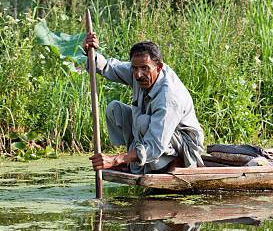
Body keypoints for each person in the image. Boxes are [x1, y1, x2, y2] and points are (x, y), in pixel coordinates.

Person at [82, 33, 205, 173]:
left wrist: (116, 159)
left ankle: (173, 162)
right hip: (153, 135)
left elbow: (155, 144)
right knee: (115, 109)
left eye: (144, 68)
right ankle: (137, 161)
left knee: (143, 122)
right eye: (134, 68)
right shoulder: (138, 71)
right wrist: (91, 52)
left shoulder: (170, 96)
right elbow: (108, 68)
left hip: (183, 146)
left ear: (158, 67)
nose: (138, 75)